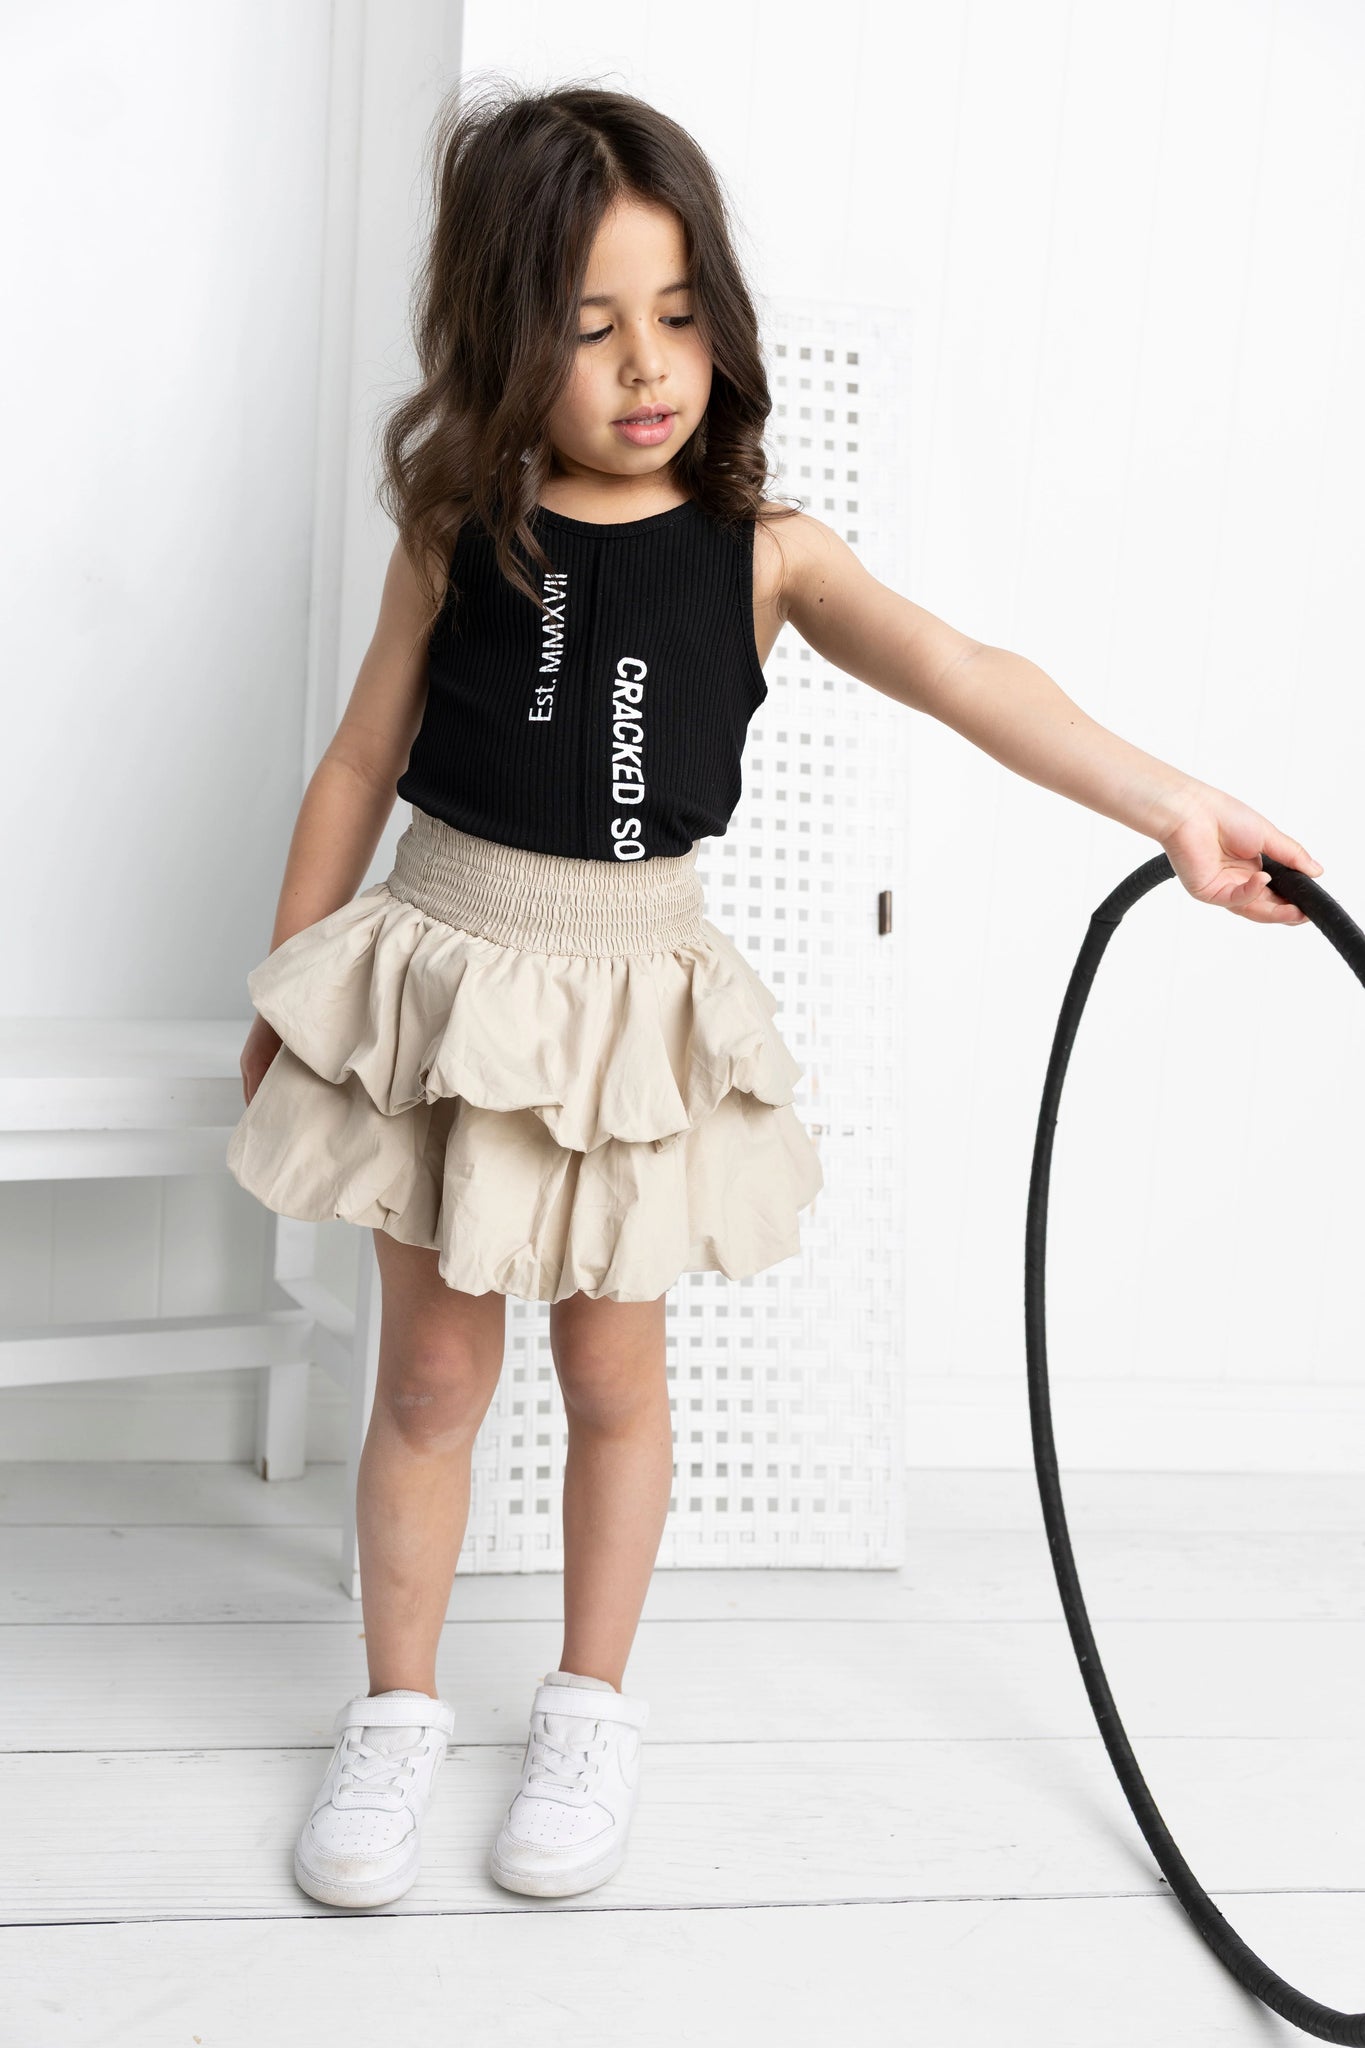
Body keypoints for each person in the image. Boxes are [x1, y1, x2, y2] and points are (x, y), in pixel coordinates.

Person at [225, 79, 1323, 1913]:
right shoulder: (455, 528)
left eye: (675, 314)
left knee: (613, 1374)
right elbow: (356, 764)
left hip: (633, 1008)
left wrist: (1173, 804)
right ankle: (397, 1708)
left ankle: (589, 1708)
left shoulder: (766, 553)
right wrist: (291, 975)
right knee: (428, 1376)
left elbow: (969, 673)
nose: (644, 365)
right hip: (446, 983)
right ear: (504, 339)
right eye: (589, 326)